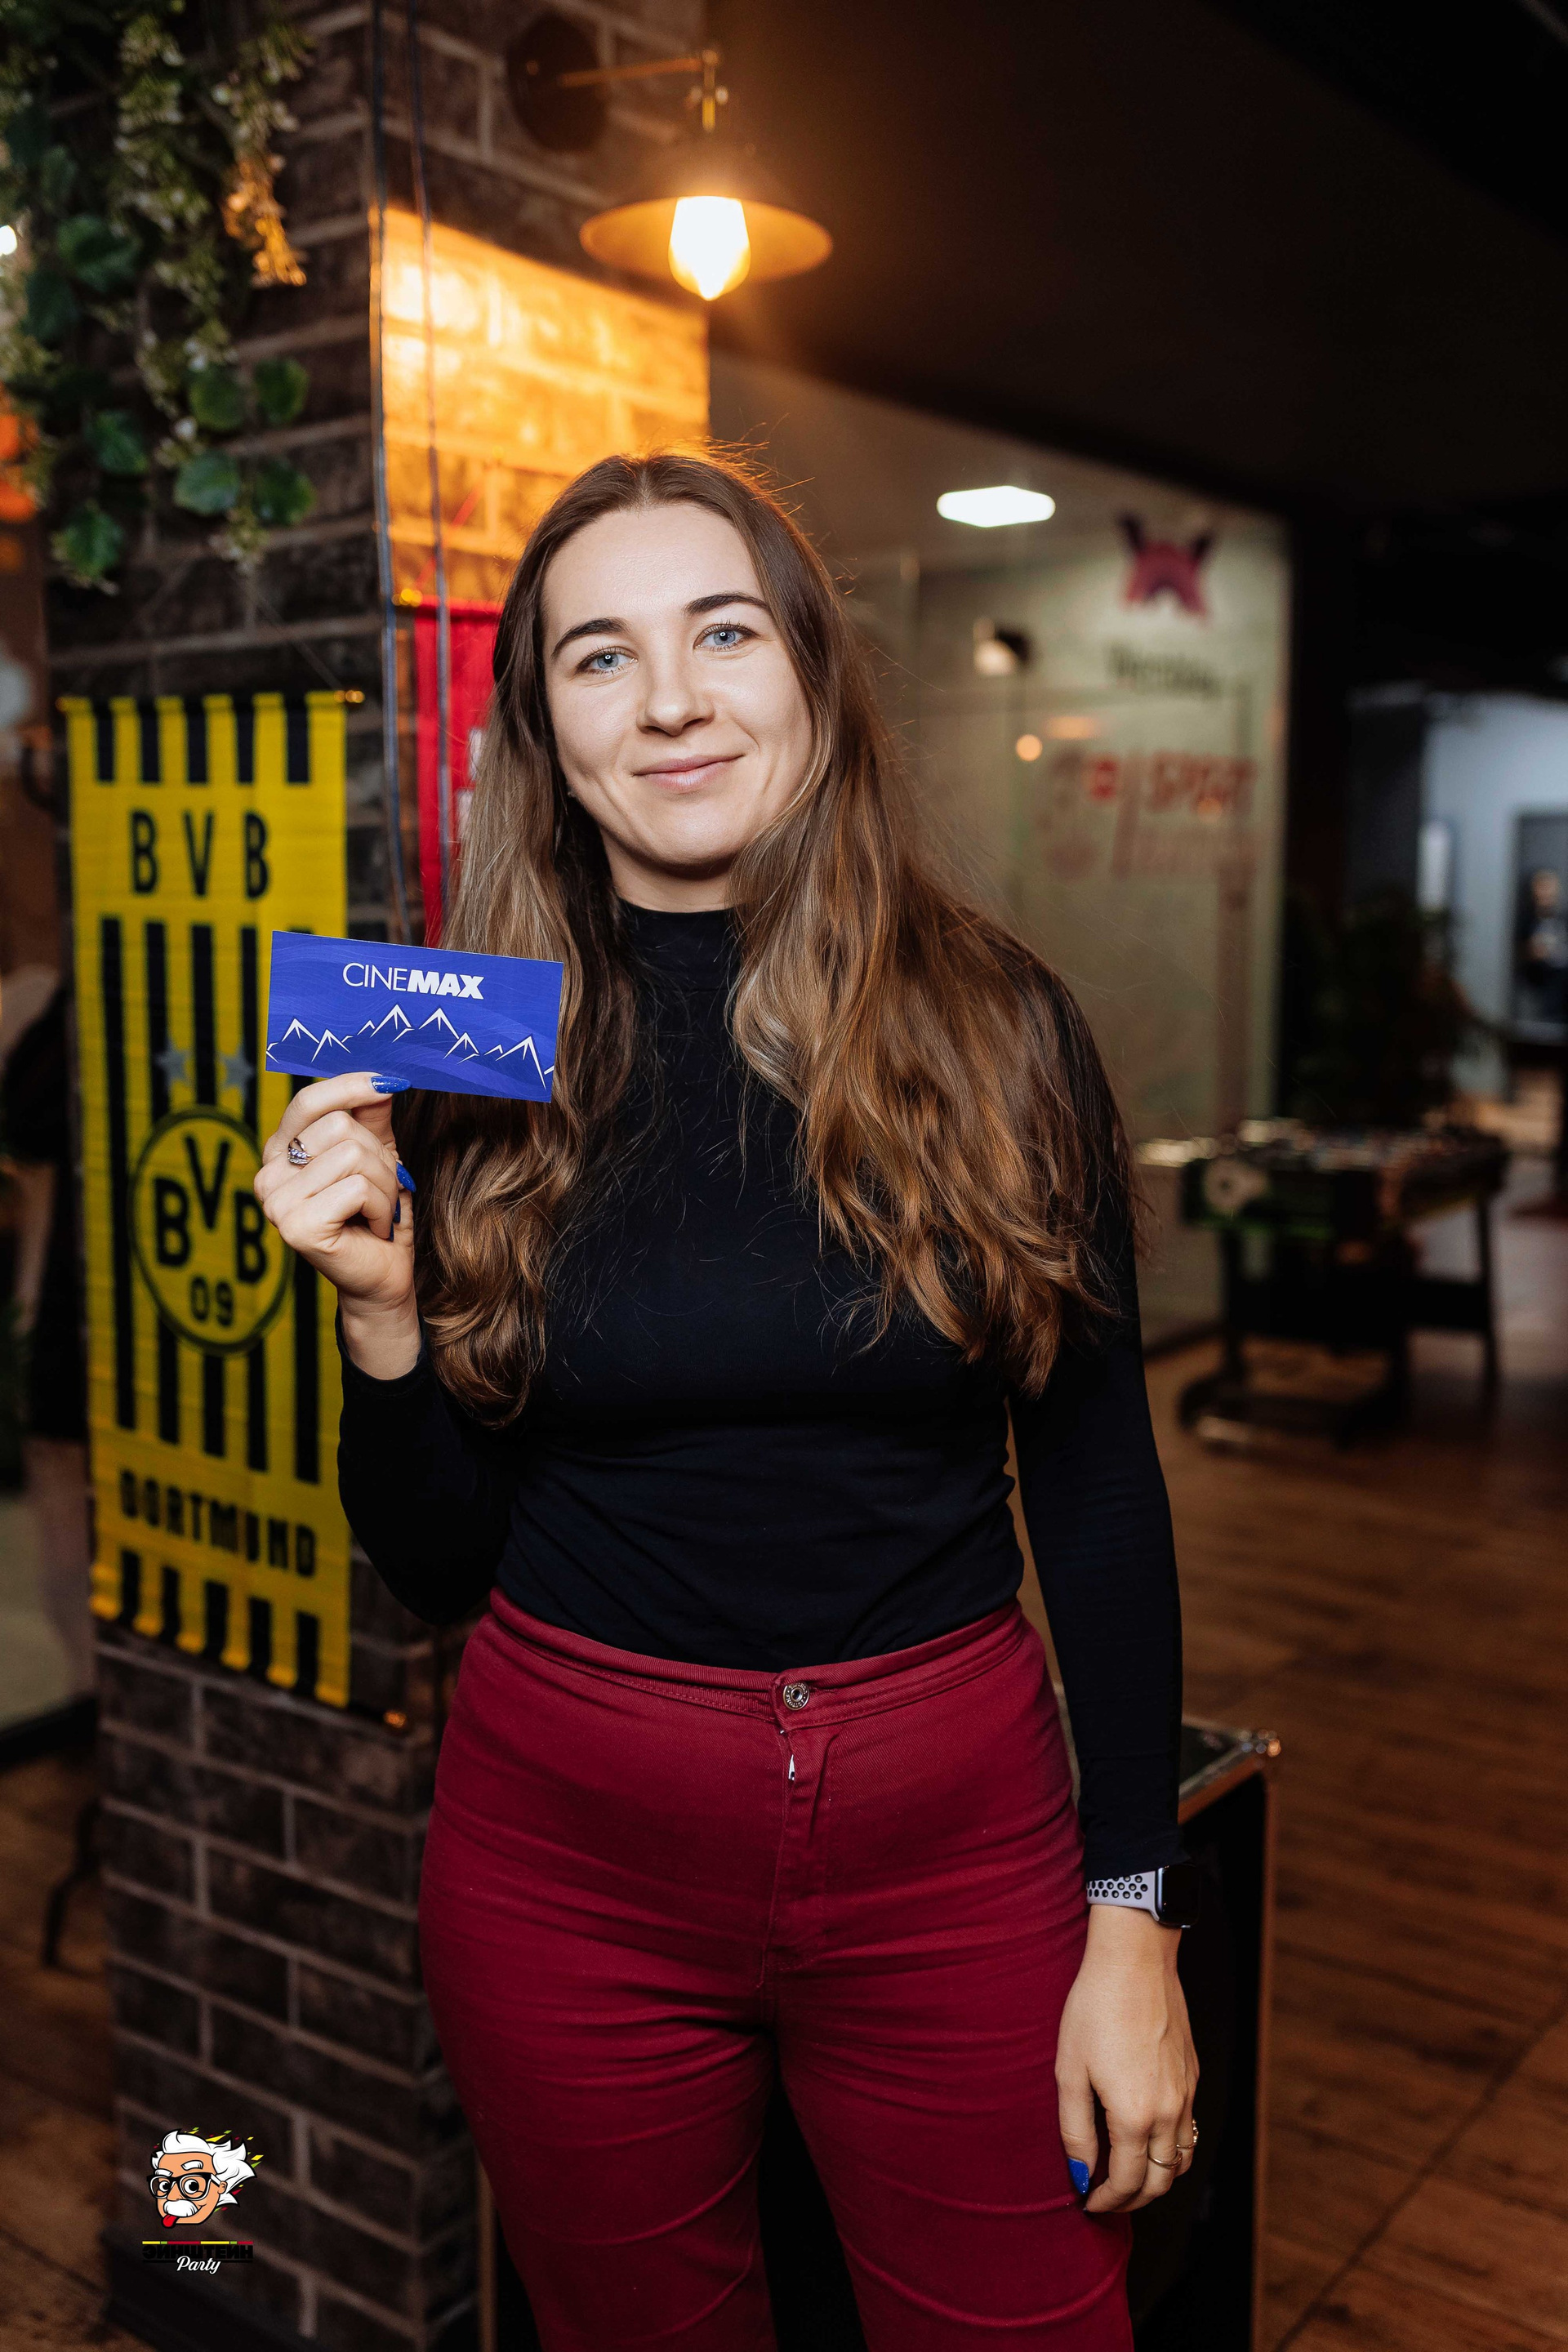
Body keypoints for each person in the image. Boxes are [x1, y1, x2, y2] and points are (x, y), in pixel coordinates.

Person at [254, 452, 1198, 2351]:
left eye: (725, 633)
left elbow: (1099, 1491)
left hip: (956, 1847)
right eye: (600, 656)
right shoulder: (461, 1060)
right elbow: (437, 1571)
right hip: (564, 1862)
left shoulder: (999, 1028)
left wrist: (1133, 1920)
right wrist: (380, 1317)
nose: (671, 699)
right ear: (545, 734)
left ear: (815, 675)